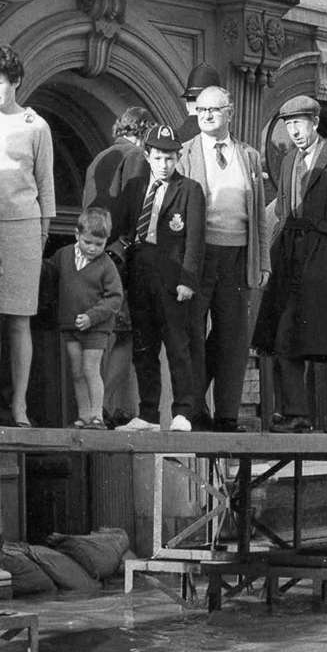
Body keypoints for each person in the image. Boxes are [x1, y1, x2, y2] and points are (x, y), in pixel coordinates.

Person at [253, 95, 327, 434]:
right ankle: (295, 413)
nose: (295, 131)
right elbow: (283, 213)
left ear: (315, 122)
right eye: (289, 125)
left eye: (300, 123)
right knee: (286, 336)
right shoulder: (288, 162)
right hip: (291, 258)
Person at [0, 43, 53, 427]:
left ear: (15, 81)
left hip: (23, 229)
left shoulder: (36, 125)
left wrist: (43, 230)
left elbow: (45, 184)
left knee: (19, 320)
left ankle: (19, 405)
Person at [179, 84, 268, 432]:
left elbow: (259, 214)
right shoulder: (184, 154)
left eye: (214, 110)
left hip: (237, 255)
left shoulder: (249, 156)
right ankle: (195, 409)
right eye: (201, 111)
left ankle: (228, 414)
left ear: (229, 112)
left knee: (233, 336)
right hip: (198, 256)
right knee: (192, 333)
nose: (207, 116)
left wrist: (262, 262)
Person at [120, 124, 204, 433]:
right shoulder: (135, 186)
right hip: (140, 270)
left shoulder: (189, 190)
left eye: (170, 158)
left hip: (172, 276)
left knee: (177, 345)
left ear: (178, 157)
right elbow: (123, 228)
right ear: (147, 155)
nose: (164, 165)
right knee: (144, 346)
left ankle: (183, 410)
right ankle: (147, 413)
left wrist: (187, 279)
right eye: (158, 158)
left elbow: (194, 240)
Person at [82, 104, 152, 426]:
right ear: (142, 132)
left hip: (93, 253)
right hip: (121, 257)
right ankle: (106, 406)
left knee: (100, 334)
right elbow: (136, 206)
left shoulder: (98, 157)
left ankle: (94, 407)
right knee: (126, 334)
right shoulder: (136, 157)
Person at [43, 207, 124, 429]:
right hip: (70, 325)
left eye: (99, 244)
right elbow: (49, 275)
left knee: (90, 368)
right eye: (88, 242)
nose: (93, 248)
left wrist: (92, 317)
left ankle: (97, 415)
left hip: (96, 328)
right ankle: (84, 415)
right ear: (77, 234)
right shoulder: (63, 255)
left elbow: (115, 298)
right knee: (77, 371)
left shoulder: (106, 265)